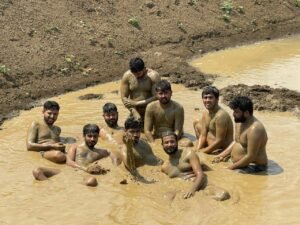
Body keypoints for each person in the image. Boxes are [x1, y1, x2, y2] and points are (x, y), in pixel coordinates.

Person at [161, 131, 230, 200]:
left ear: (177, 142)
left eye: (172, 142)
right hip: (181, 189)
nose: (169, 144)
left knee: (223, 194)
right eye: (166, 142)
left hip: (198, 185)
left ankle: (202, 199)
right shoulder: (165, 167)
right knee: (167, 198)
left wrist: (192, 190)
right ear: (162, 145)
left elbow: (200, 174)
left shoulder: (188, 154)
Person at [213, 96, 268, 173]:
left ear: (246, 113)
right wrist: (222, 155)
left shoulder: (255, 129)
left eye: (236, 112)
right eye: (233, 111)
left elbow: (251, 156)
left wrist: (230, 168)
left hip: (253, 166)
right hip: (239, 163)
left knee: (227, 176)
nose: (233, 114)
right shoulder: (239, 121)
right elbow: (236, 141)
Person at [144, 80, 193, 147]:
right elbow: (147, 130)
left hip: (173, 137)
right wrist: (153, 144)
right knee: (140, 139)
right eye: (160, 93)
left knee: (188, 143)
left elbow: (177, 131)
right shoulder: (151, 107)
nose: (163, 96)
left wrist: (170, 142)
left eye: (166, 93)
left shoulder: (178, 108)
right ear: (156, 94)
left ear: (171, 93)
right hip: (157, 136)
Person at [193, 86, 233, 154]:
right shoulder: (205, 113)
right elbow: (203, 135)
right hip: (211, 142)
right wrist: (198, 150)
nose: (207, 100)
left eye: (210, 97)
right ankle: (203, 146)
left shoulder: (221, 116)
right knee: (196, 123)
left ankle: (208, 148)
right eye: (205, 98)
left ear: (217, 99)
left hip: (221, 148)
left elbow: (220, 140)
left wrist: (204, 151)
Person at [120, 57, 160, 123]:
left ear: (144, 69)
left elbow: (156, 97)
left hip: (151, 111)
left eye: (138, 73)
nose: (136, 76)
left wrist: (136, 103)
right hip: (135, 110)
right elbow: (124, 97)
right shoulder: (127, 76)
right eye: (134, 73)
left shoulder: (153, 76)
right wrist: (134, 111)